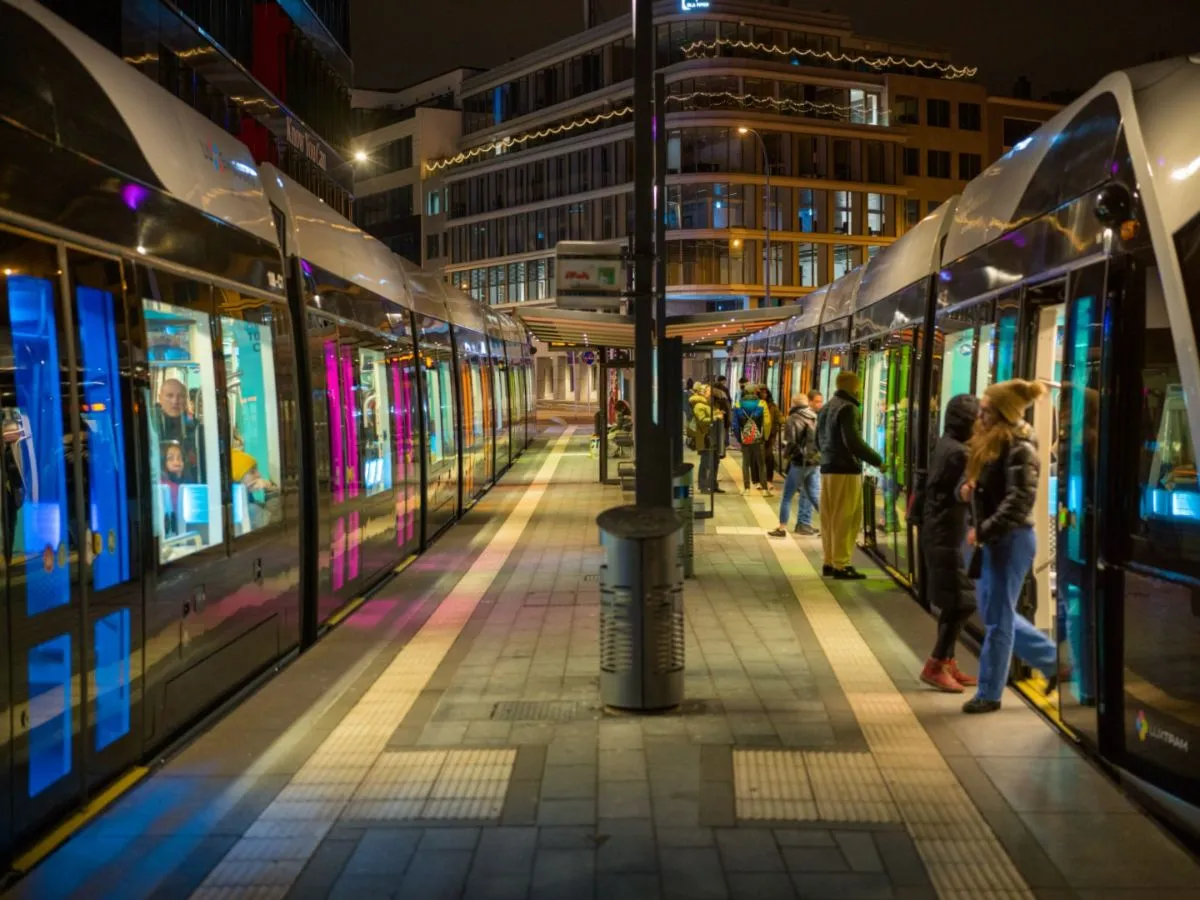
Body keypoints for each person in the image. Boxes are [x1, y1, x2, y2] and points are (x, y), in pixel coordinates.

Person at [959, 379, 1059, 714]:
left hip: (1011, 539)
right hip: (995, 538)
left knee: (998, 620)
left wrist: (984, 529)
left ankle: (989, 693)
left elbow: (1019, 499)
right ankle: (1052, 660)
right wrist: (970, 488)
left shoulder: (1020, 445)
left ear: (1003, 413)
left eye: (986, 410)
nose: (980, 415)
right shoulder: (996, 440)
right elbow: (994, 485)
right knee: (994, 613)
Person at [909, 394, 980, 693]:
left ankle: (947, 660)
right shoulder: (959, 453)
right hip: (944, 534)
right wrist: (969, 491)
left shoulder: (946, 442)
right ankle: (936, 663)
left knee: (955, 600)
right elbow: (956, 492)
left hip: (940, 532)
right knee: (963, 602)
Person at [816, 370, 882, 579]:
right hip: (845, 469)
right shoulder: (849, 408)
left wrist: (826, 455)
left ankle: (829, 560)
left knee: (829, 518)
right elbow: (853, 442)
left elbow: (818, 439)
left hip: (827, 468)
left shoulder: (827, 406)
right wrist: (878, 461)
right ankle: (841, 565)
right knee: (847, 517)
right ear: (853, 386)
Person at [769, 393, 821, 537]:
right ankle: (832, 526)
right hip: (814, 461)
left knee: (786, 496)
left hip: (800, 462)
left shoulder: (793, 418)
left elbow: (791, 442)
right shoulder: (815, 416)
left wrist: (786, 456)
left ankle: (781, 528)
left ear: (793, 404)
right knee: (815, 497)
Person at [153, 378, 201, 479]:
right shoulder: (152, 423)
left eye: (180, 396)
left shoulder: (194, 426)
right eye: (170, 396)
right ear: (160, 398)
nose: (175, 401)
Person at [733, 384, 772, 496]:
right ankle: (765, 490)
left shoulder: (738, 405)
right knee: (761, 464)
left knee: (746, 463)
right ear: (755, 392)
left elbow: (735, 425)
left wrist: (740, 438)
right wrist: (765, 436)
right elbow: (767, 422)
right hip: (758, 438)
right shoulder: (761, 403)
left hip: (745, 438)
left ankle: (746, 489)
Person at [687, 383, 714, 491]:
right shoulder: (699, 405)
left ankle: (704, 484)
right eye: (708, 391)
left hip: (705, 435)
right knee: (705, 461)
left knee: (706, 461)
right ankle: (702, 485)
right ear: (703, 393)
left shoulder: (704, 404)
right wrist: (714, 417)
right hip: (703, 436)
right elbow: (701, 420)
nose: (711, 393)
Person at [760, 386, 784, 485]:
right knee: (760, 456)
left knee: (769, 456)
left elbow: (780, 417)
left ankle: (769, 477)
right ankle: (759, 477)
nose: (764, 394)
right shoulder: (757, 405)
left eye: (765, 393)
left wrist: (783, 420)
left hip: (770, 434)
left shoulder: (773, 406)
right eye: (762, 393)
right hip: (759, 434)